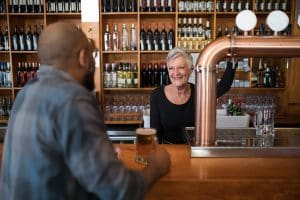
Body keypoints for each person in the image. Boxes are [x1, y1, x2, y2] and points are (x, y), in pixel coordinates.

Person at [0, 22, 170, 200]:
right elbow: (119, 191)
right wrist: (156, 167)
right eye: (92, 55)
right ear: (83, 57)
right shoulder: (73, 99)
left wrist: (95, 152)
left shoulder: (26, 92)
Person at [150, 47, 236, 144]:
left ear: (190, 70)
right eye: (171, 68)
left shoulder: (200, 92)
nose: (175, 73)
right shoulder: (157, 95)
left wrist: (233, 61)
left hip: (195, 152)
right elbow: (155, 136)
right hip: (168, 153)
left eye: (181, 67)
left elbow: (224, 86)